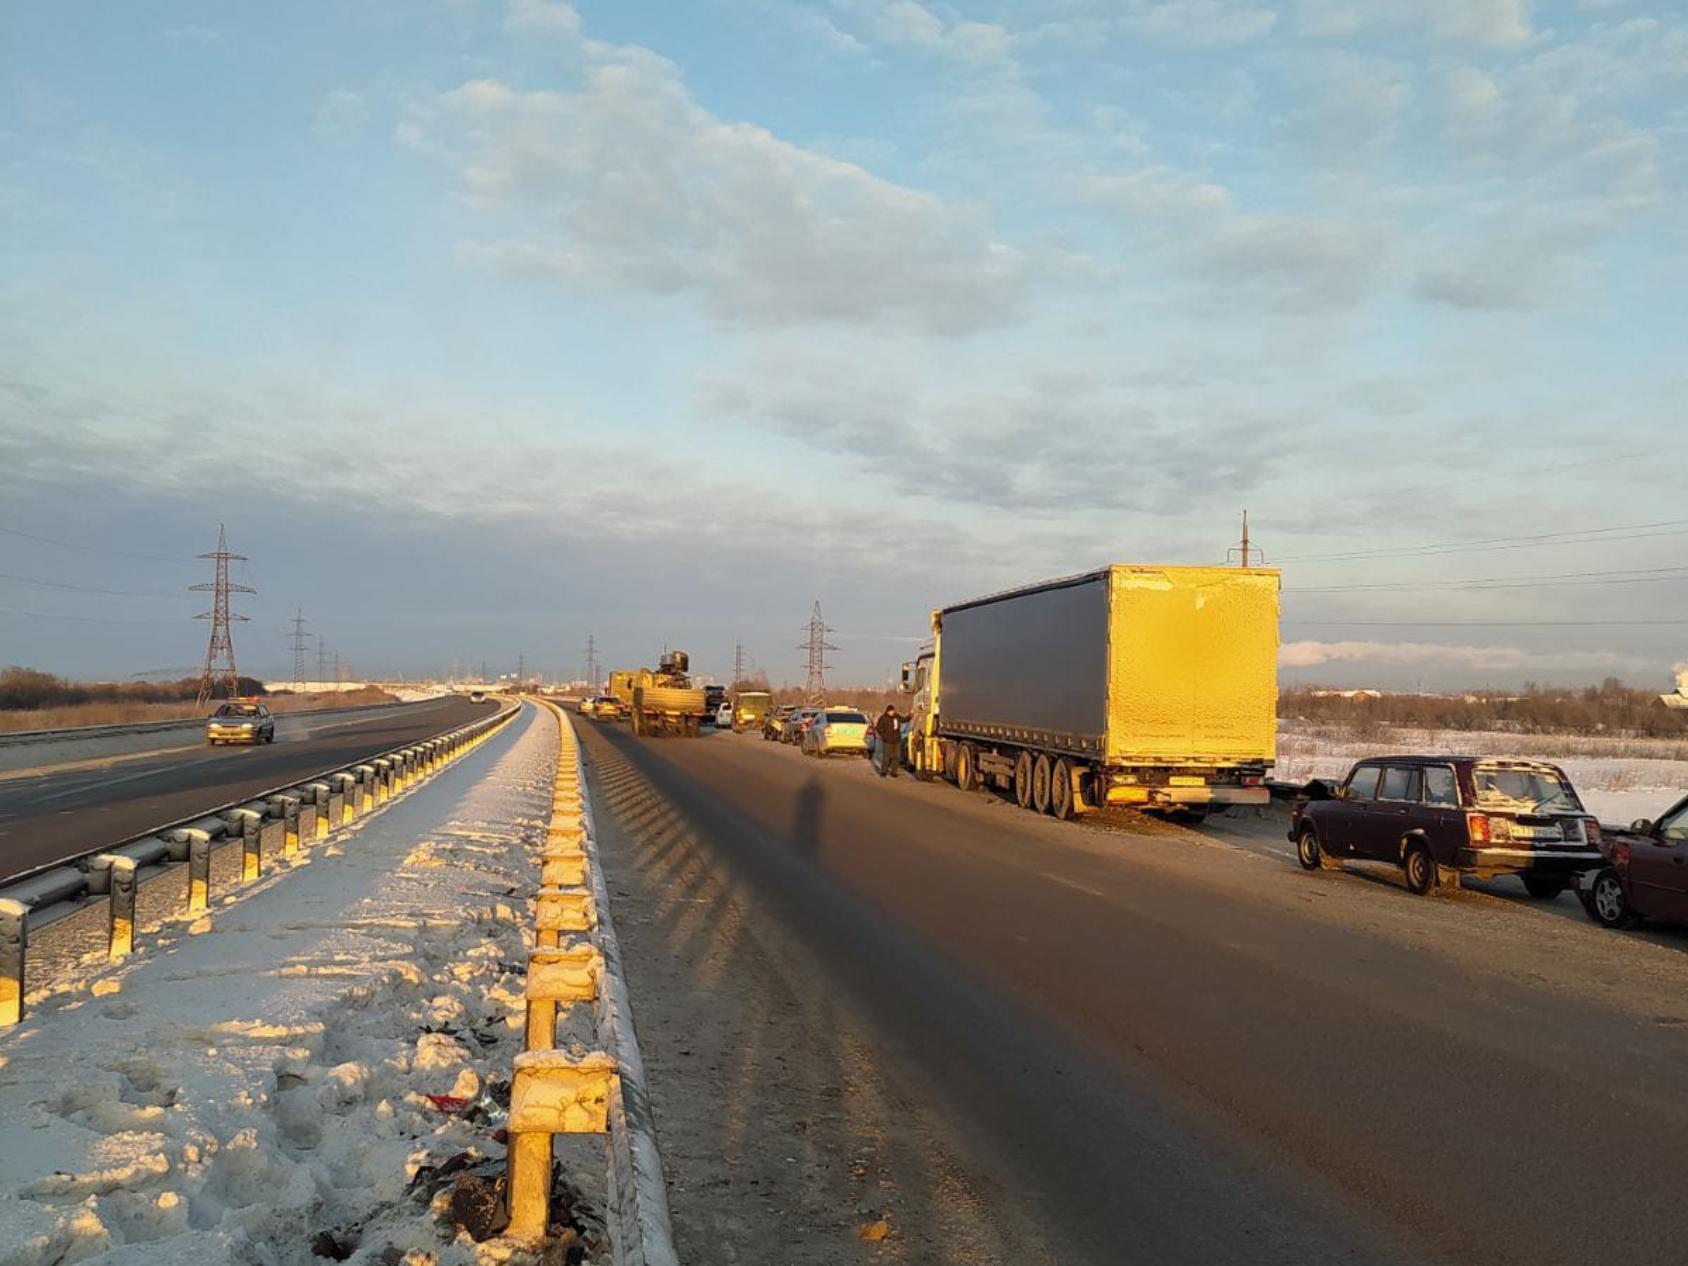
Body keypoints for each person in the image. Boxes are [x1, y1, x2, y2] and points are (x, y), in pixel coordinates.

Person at [874, 705, 902, 778]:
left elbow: (904, 719)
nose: (892, 712)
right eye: (891, 711)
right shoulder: (883, 718)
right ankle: (884, 771)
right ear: (887, 711)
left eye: (893, 711)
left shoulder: (897, 716)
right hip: (887, 741)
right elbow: (878, 728)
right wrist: (884, 736)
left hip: (896, 740)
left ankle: (894, 772)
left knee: (897, 757)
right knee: (886, 757)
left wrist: (910, 715)